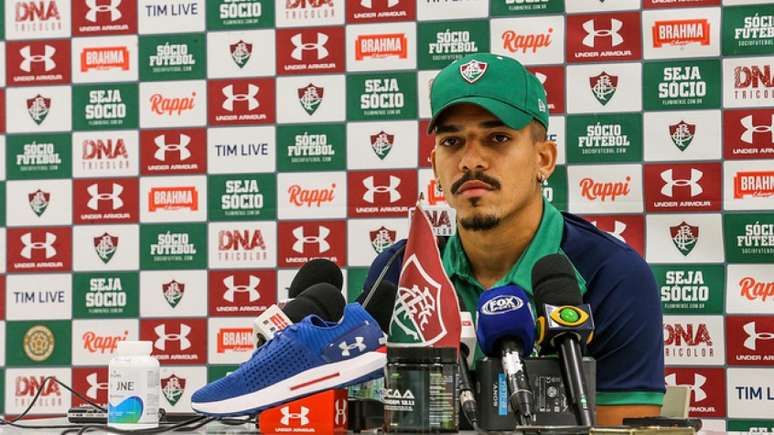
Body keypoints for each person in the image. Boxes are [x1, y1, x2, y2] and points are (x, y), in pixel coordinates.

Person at [361, 53, 664, 426]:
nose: (472, 161)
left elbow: (621, 429)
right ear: (434, 164)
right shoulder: (400, 272)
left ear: (544, 159)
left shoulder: (612, 274)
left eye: (498, 138)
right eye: (453, 142)